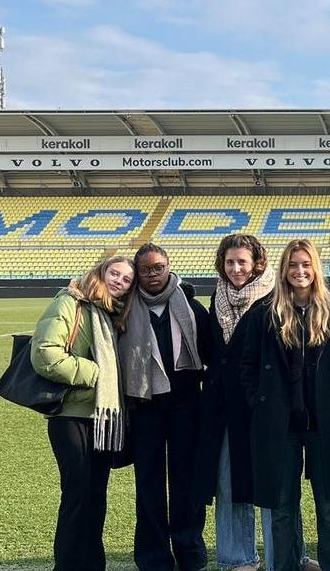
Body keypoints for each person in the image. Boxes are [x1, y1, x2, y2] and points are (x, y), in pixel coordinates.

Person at [240, 239, 330, 571]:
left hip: (326, 425)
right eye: (293, 265)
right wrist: (260, 404)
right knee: (282, 507)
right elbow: (247, 367)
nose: (299, 271)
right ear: (283, 270)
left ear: (315, 268)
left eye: (305, 264)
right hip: (280, 426)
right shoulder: (264, 312)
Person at [31, 256, 135, 571]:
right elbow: (44, 353)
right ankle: (68, 565)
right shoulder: (71, 302)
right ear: (100, 272)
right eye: (114, 273)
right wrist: (95, 373)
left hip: (103, 419)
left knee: (96, 495)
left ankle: (93, 564)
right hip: (71, 416)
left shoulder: (112, 312)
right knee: (77, 495)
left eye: (127, 279)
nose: (119, 280)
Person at [121, 244, 209, 571]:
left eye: (158, 268)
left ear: (168, 267)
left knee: (186, 482)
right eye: (146, 269)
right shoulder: (125, 310)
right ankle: (153, 557)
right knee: (148, 483)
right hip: (145, 409)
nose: (153, 275)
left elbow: (209, 355)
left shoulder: (192, 308)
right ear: (137, 273)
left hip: (187, 406)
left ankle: (191, 553)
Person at [194, 234, 279, 571]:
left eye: (242, 261)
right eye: (230, 262)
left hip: (262, 404)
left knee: (274, 481)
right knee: (228, 481)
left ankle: (288, 553)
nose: (236, 268)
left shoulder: (274, 298)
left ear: (256, 262)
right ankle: (237, 558)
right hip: (222, 405)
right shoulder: (217, 296)